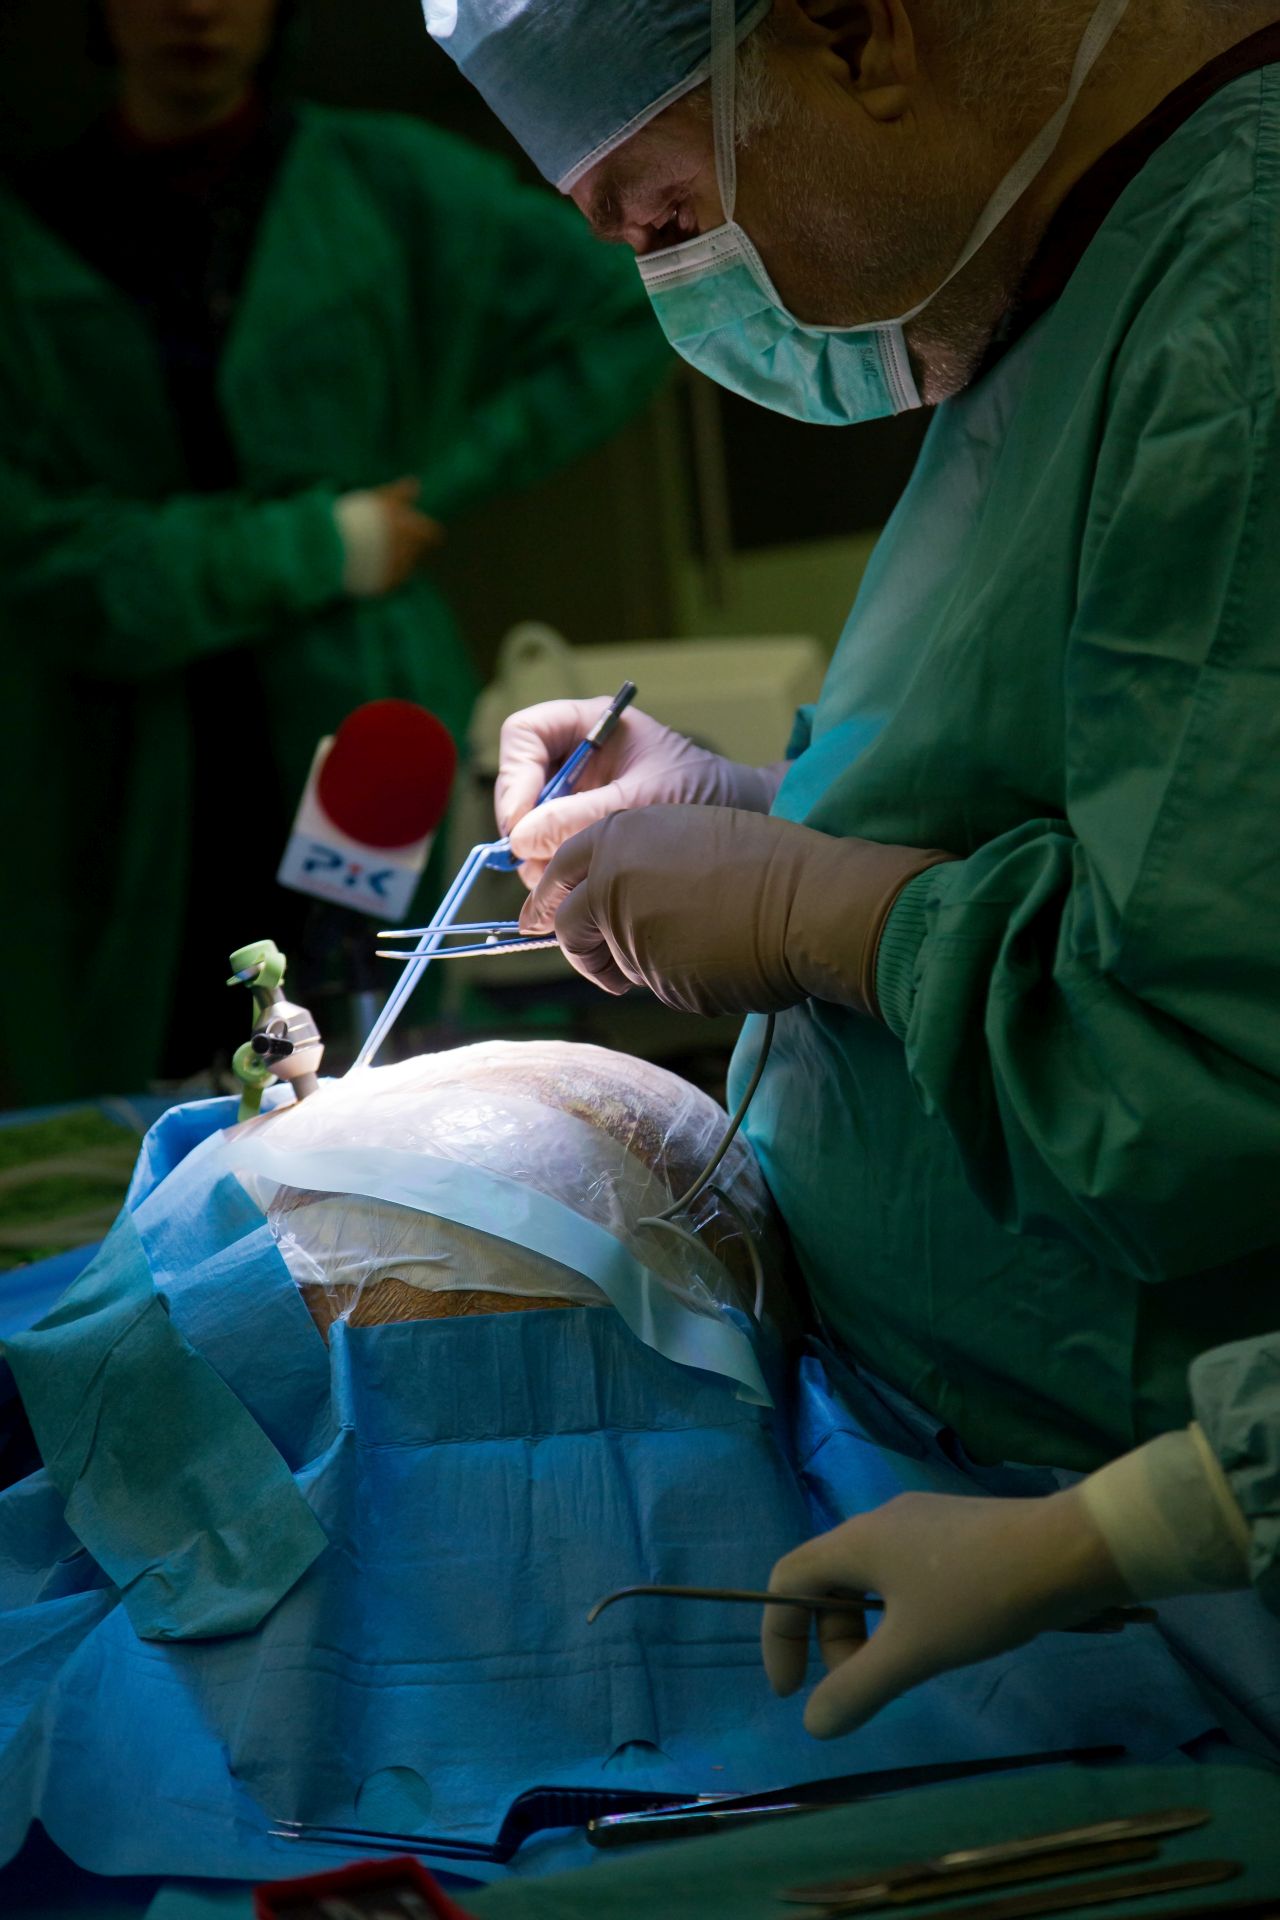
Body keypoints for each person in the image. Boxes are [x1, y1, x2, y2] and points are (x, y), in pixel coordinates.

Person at [421, 0, 1280, 1725]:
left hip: (1159, 1546)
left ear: (858, 35)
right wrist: (768, 814)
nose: (678, 291)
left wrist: (827, 913)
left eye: (667, 217)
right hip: (950, 1452)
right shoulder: (1063, 259)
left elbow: (1215, 1076)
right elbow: (1118, 803)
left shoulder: (1239, 306)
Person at [0, 0, 668, 1105]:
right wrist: (325, 543)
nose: (193, 7)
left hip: (357, 724)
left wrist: (433, 490)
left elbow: (624, 298)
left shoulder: (385, 186)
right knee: (137, 1087)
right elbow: (39, 559)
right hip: (108, 757)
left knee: (362, 1062)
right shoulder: (31, 240)